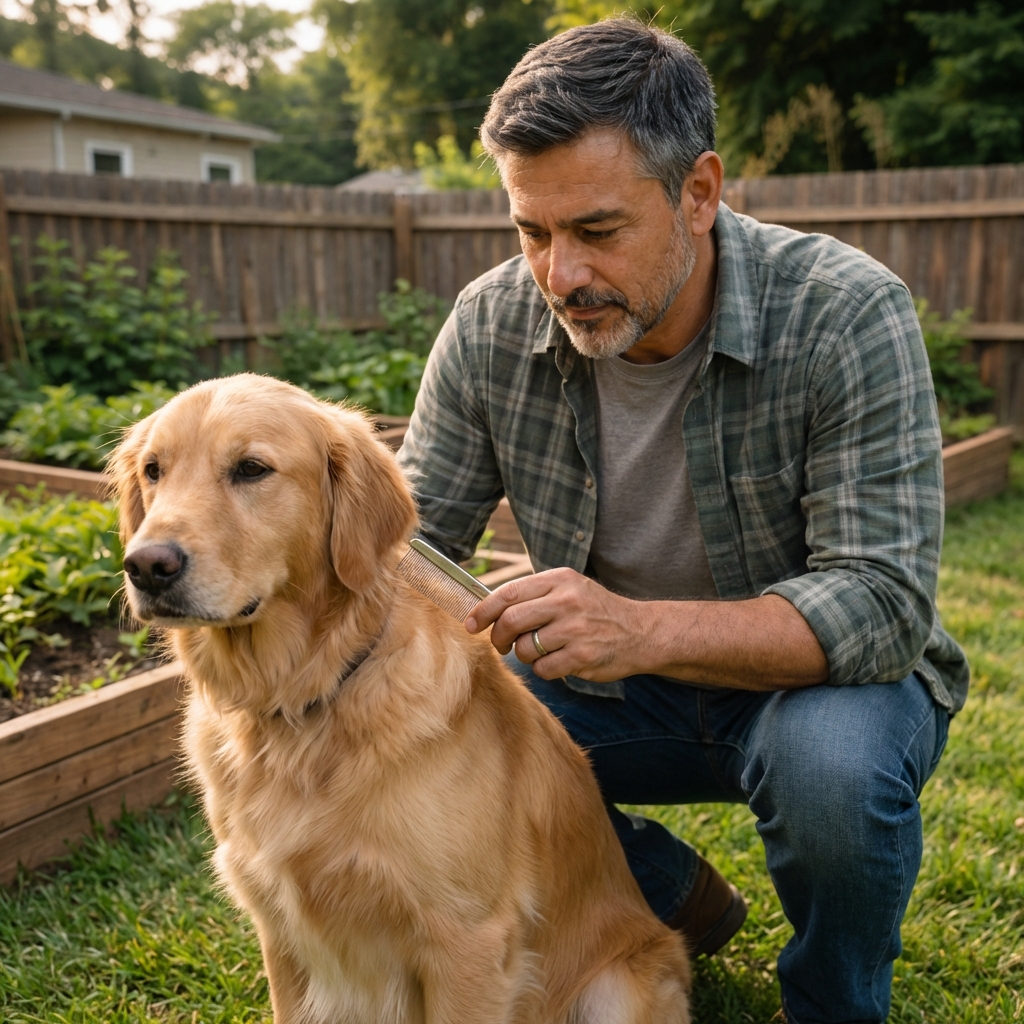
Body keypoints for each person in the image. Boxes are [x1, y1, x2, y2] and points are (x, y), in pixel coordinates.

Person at [397, 17, 969, 1024]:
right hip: (602, 696)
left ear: (698, 193)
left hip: (817, 690)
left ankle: (832, 1003)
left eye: (597, 231)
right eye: (532, 232)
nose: (558, 274)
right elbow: (413, 553)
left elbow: (882, 604)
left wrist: (640, 626)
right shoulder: (488, 324)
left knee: (829, 772)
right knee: (421, 738)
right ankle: (665, 890)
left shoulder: (844, 311)